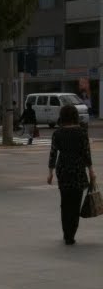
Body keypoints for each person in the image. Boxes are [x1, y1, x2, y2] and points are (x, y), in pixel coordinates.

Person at [47, 102, 94, 246]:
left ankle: (66, 233)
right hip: (78, 169)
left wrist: (50, 173)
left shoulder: (57, 133)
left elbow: (53, 153)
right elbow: (86, 154)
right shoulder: (81, 132)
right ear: (75, 116)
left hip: (63, 169)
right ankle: (71, 233)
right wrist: (91, 171)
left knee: (65, 202)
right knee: (75, 203)